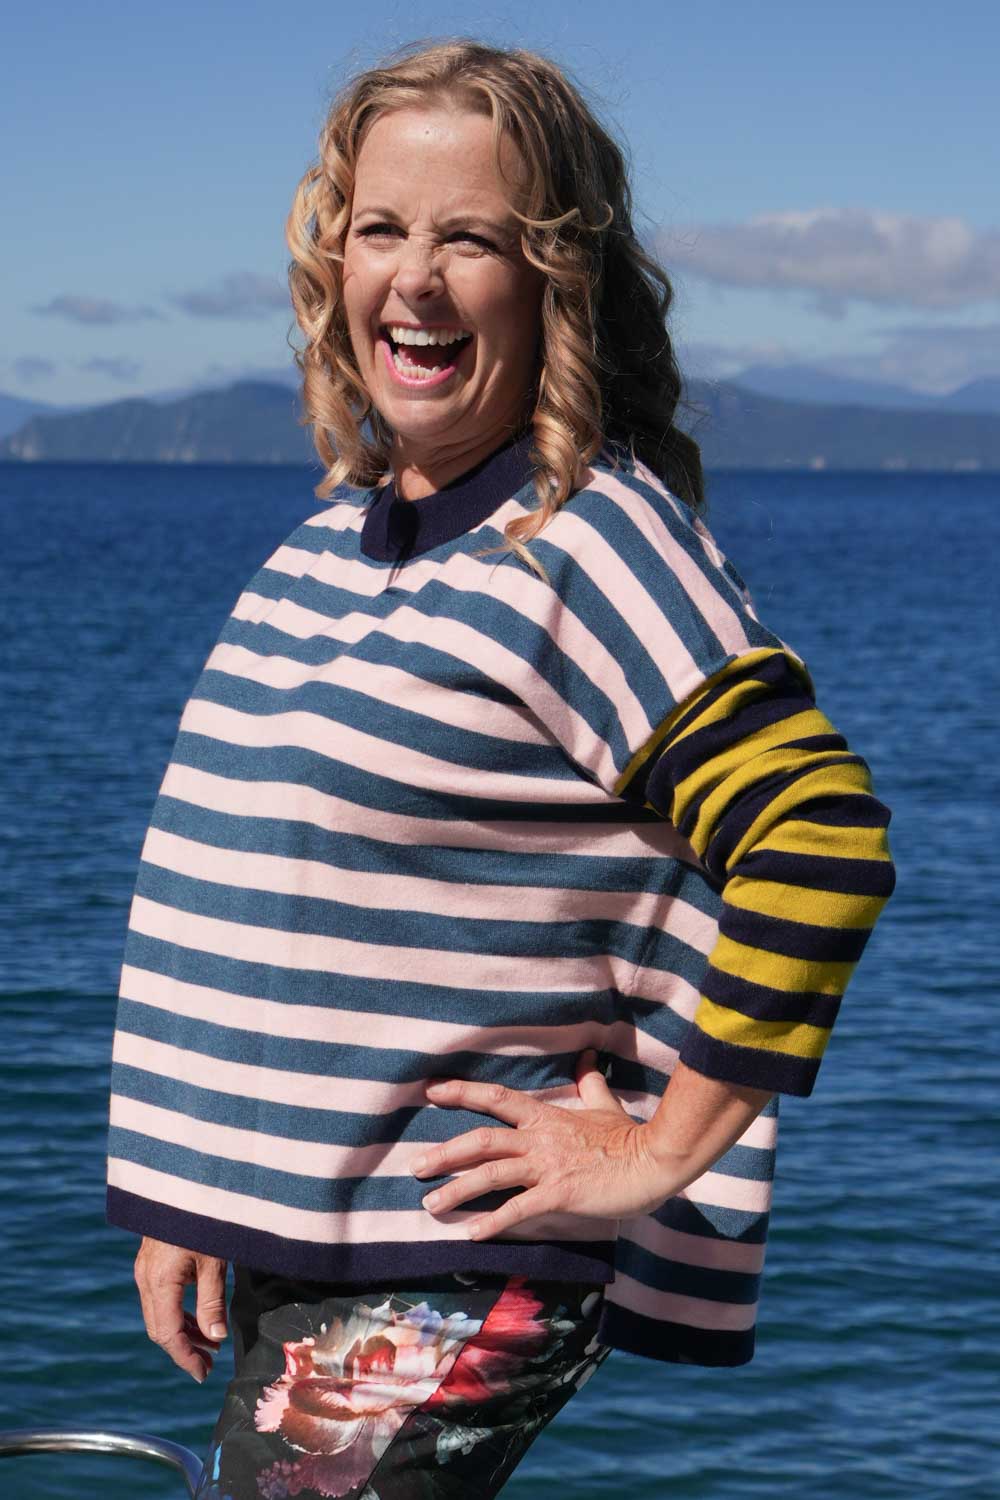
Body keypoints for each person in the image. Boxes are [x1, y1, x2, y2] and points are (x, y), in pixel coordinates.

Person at [105, 37, 896, 1499]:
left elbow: (819, 837)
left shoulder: (586, 541)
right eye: (381, 229)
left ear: (555, 280)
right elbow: (290, 909)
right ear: (332, 258)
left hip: (448, 1268)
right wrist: (206, 1181)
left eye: (470, 238)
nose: (414, 279)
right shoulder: (336, 542)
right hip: (316, 1238)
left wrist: (654, 1154)